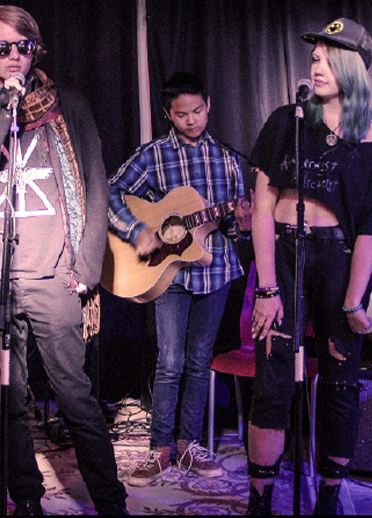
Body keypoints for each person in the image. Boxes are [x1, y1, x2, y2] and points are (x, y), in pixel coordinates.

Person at [0, 5, 129, 515]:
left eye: (24, 48)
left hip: (54, 275)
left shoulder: (68, 105)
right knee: (7, 397)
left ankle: (110, 503)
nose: (14, 58)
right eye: (2, 48)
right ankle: (25, 498)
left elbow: (97, 187)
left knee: (76, 398)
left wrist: (88, 268)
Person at [247, 18, 372, 515]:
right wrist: (266, 287)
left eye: (327, 57)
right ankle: (259, 499)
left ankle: (328, 496)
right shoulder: (287, 122)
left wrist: (354, 298)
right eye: (314, 57)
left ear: (352, 67)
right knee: (273, 378)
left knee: (341, 383)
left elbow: (371, 225)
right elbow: (261, 206)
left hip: (342, 261)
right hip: (284, 255)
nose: (316, 65)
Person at [108, 72, 252, 486]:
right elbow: (112, 192)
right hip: (167, 272)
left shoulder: (227, 158)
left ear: (209, 105)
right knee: (169, 362)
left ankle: (189, 443)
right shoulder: (153, 155)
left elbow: (234, 230)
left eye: (198, 111)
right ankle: (160, 449)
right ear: (169, 115)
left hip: (215, 268)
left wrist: (242, 223)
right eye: (182, 114)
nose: (192, 121)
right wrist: (140, 232)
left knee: (198, 360)